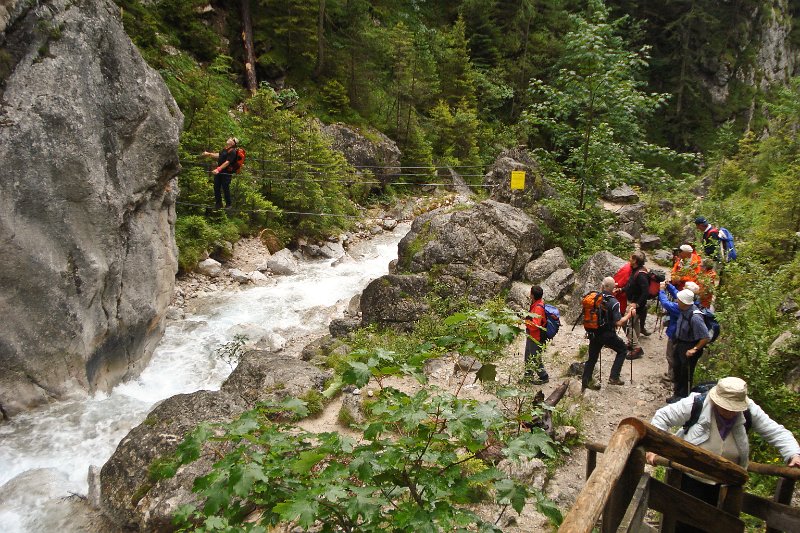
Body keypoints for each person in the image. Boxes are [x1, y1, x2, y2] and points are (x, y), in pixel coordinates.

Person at [647, 377, 800, 533]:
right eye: (725, 407)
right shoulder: (696, 403)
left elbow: (775, 431)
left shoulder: (749, 410)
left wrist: (793, 454)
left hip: (728, 481)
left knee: (721, 525)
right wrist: (654, 448)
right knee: (685, 523)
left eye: (733, 408)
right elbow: (662, 416)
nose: (729, 412)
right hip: (691, 477)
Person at [581, 277, 637, 392]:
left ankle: (585, 382)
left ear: (602, 286)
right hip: (607, 334)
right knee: (622, 349)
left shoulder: (596, 298)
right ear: (613, 288)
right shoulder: (614, 302)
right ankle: (614, 377)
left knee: (592, 358)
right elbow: (619, 322)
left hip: (594, 332)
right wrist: (629, 315)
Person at [668, 289, 709, 403]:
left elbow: (705, 337)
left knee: (685, 373)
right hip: (681, 344)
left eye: (679, 300)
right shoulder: (684, 310)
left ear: (684, 302)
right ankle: (677, 394)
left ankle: (683, 398)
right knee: (677, 369)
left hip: (689, 346)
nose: (677, 301)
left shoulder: (695, 317)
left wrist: (694, 349)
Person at [657, 281, 700, 385]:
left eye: (684, 289)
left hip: (675, 334)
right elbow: (678, 294)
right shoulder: (693, 303)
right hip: (683, 335)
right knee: (675, 355)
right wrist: (670, 286)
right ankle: (674, 375)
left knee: (671, 355)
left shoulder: (679, 308)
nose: (681, 290)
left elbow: (666, 304)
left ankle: (672, 376)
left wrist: (661, 291)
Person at [623, 251, 649, 360]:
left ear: (635, 261)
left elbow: (645, 292)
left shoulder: (641, 275)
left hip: (637, 304)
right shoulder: (635, 271)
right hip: (635, 303)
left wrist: (636, 304)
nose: (629, 259)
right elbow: (630, 286)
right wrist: (620, 289)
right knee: (634, 323)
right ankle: (633, 342)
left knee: (626, 324)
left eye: (631, 258)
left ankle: (636, 348)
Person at [202, 137, 240, 209]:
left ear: (233, 143)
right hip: (219, 171)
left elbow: (227, 162)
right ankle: (218, 204)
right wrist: (209, 154)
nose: (229, 138)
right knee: (216, 187)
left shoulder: (233, 151)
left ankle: (228, 204)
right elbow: (218, 155)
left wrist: (218, 169)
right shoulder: (225, 149)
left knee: (225, 187)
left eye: (231, 139)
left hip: (226, 172)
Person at [523, 285, 550, 384]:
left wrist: (526, 322)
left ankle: (543, 376)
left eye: (531, 293)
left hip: (536, 336)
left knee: (535, 357)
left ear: (533, 295)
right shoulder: (537, 303)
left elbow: (536, 325)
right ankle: (527, 377)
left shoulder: (538, 307)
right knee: (528, 356)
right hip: (531, 335)